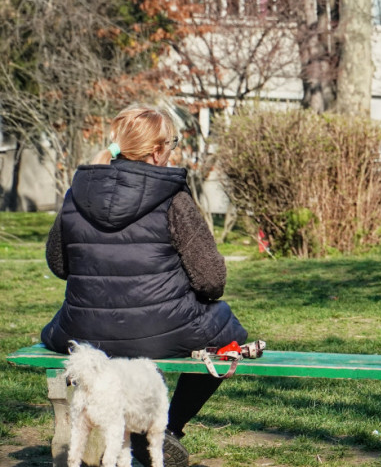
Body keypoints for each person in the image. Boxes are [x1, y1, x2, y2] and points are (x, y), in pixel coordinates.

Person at [42, 105, 249, 467]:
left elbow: (58, 265)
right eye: (172, 144)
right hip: (164, 331)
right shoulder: (173, 197)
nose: (172, 152)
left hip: (83, 332)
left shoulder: (77, 193)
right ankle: (167, 428)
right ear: (156, 152)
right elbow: (211, 280)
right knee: (232, 335)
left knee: (59, 331)